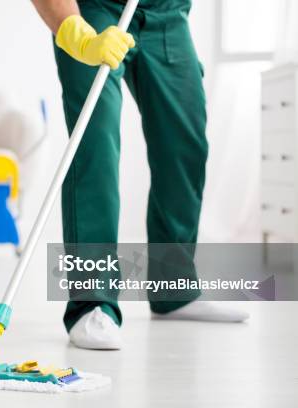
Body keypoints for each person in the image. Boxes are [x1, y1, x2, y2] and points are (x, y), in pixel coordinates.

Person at [31, 0, 248, 350]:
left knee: (184, 145)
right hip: (94, 12)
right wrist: (77, 35)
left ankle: (173, 290)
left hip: (167, 16)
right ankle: (92, 302)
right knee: (95, 143)